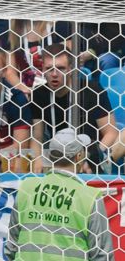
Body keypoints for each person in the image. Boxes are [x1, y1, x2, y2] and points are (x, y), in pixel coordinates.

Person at [5, 128, 118, 261]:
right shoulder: (89, 196)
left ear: (50, 156)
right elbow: (101, 256)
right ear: (79, 156)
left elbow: (11, 246)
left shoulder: (26, 188)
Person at [30, 44, 119, 173]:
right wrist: (37, 159)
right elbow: (36, 137)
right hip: (57, 156)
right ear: (42, 69)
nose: (54, 74)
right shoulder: (39, 94)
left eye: (61, 68)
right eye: (49, 69)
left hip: (89, 154)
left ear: (71, 69)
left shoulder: (92, 90)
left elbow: (111, 132)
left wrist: (92, 156)